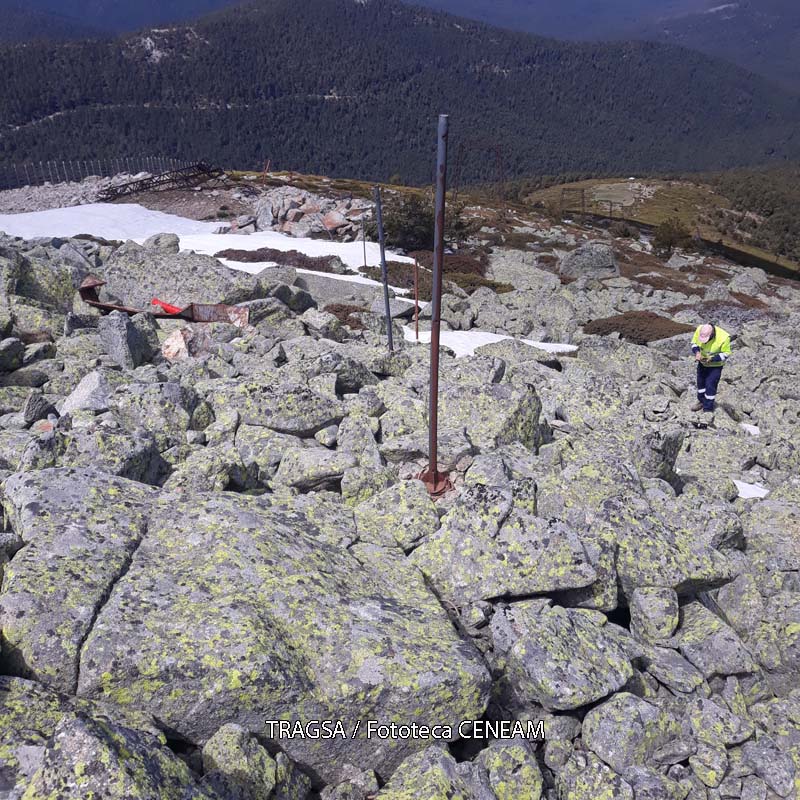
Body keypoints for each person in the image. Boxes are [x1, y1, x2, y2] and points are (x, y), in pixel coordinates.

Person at [691, 323, 731, 413]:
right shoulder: (700, 329)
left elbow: (726, 353)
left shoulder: (724, 337)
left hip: (715, 366)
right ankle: (701, 401)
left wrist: (712, 359)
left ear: (712, 335)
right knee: (700, 384)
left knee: (710, 385)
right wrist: (697, 352)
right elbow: (693, 343)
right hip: (702, 363)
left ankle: (708, 409)